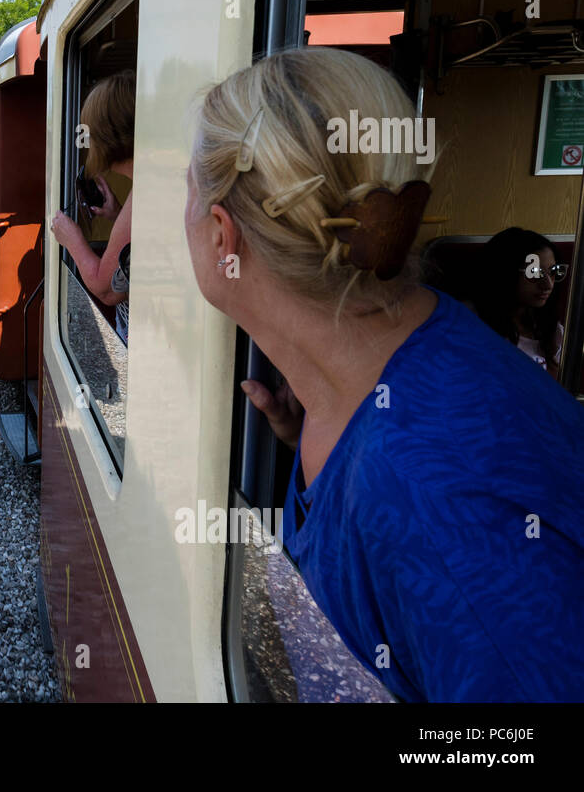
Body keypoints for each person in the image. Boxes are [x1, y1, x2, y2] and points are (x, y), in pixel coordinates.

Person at [184, 46, 584, 701]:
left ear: (223, 236)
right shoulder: (419, 352)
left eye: (187, 194)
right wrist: (313, 436)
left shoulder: (433, 507)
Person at [49, 69, 135, 342]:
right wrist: (118, 215)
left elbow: (107, 289)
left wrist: (71, 238)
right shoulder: (152, 184)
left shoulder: (142, 196)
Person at [473, 226, 567, 379]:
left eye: (553, 271)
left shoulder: (551, 330)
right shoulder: (471, 321)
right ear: (505, 272)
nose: (548, 285)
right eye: (534, 272)